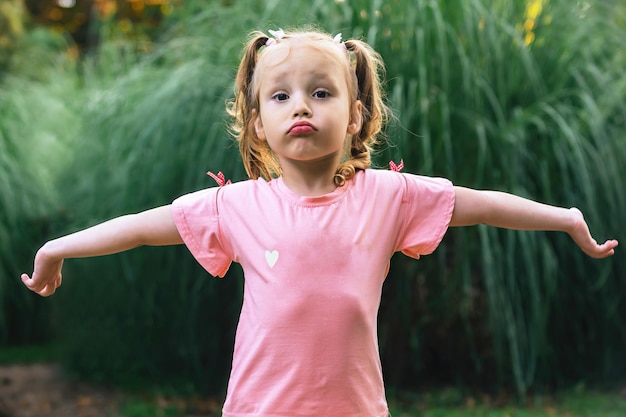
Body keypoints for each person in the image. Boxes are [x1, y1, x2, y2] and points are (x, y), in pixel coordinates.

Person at [21, 28, 618, 417]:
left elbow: (482, 204)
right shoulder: (238, 207)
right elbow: (139, 227)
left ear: (357, 116)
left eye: (320, 92)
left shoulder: (389, 198)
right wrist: (57, 248)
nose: (300, 105)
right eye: (279, 97)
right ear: (258, 125)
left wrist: (566, 219)